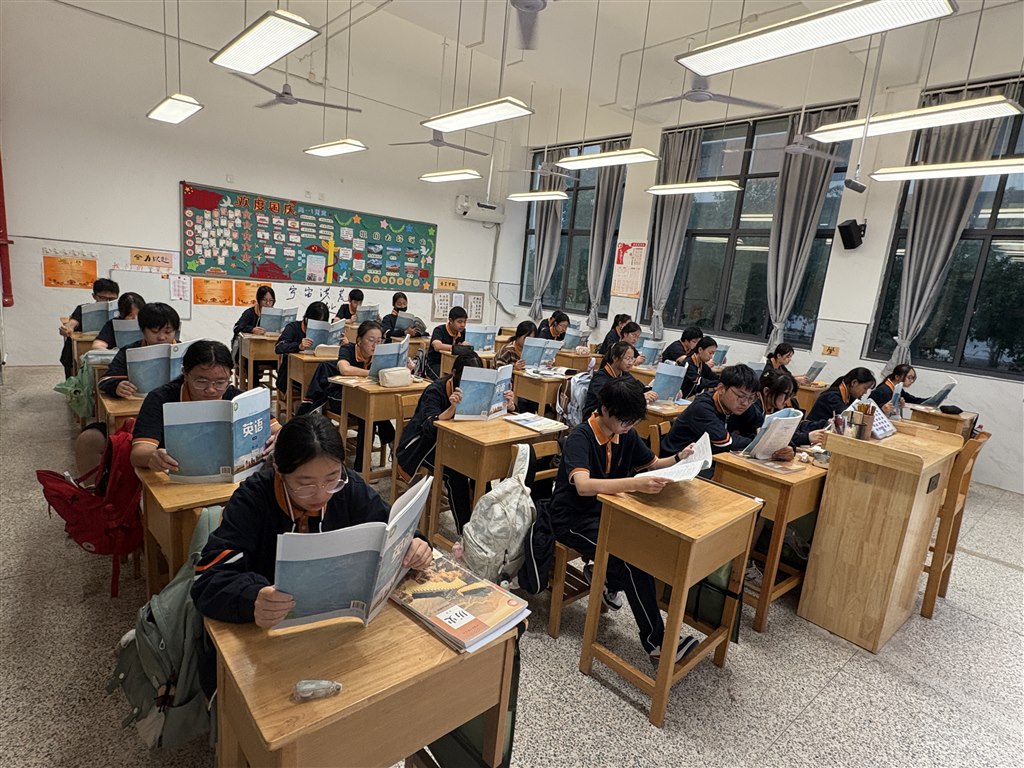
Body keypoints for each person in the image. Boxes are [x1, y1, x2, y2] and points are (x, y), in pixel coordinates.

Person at [190, 413, 433, 695]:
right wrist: (253, 598)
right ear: (279, 470)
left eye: (332, 478)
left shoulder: (348, 488)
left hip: (337, 637)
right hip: (268, 642)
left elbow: (391, 526)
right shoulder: (252, 500)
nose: (321, 494)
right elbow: (207, 580)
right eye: (305, 483)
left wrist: (415, 543)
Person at [550, 376, 698, 666]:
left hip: (606, 512)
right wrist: (634, 483)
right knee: (629, 557)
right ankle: (657, 643)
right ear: (604, 409)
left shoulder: (625, 433)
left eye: (633, 421)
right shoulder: (581, 436)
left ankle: (606, 576)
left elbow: (653, 464)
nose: (629, 426)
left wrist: (680, 458)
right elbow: (583, 486)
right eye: (624, 420)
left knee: (640, 546)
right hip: (571, 519)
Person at [396, 352, 515, 533]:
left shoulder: (480, 390)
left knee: (480, 469)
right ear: (454, 374)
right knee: (456, 473)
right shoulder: (435, 390)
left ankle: (484, 525)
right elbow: (429, 426)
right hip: (422, 445)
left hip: (456, 443)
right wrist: (452, 408)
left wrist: (508, 405)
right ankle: (465, 531)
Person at [130, 340, 279, 471]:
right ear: (185, 374)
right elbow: (138, 453)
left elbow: (278, 430)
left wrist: (279, 438)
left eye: (220, 382)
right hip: (175, 478)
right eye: (201, 382)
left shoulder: (238, 400)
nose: (211, 390)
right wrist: (154, 457)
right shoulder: (161, 399)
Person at [303, 320, 415, 471]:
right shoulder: (348, 349)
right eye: (371, 340)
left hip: (364, 399)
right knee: (369, 409)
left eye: (379, 341)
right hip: (339, 396)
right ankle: (390, 441)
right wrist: (372, 373)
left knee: (370, 410)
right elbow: (345, 369)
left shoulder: (379, 355)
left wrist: (406, 368)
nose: (375, 345)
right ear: (359, 340)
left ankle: (362, 465)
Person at [661, 364, 761, 462]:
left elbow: (760, 427)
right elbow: (725, 442)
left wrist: (758, 439)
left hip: (708, 459)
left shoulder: (740, 406)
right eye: (740, 396)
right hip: (679, 461)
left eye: (751, 398)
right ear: (721, 389)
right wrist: (757, 443)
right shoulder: (702, 407)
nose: (745, 403)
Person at [96, 302, 181, 397]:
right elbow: (105, 380)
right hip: (139, 402)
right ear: (143, 330)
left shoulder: (185, 350)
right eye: (155, 331)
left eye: (168, 332)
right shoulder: (129, 351)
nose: (161, 337)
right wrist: (116, 386)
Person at [728, 369, 825, 451]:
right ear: (766, 391)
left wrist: (822, 425)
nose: (787, 400)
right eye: (786, 395)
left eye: (790, 396)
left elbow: (787, 430)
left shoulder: (771, 407)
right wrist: (806, 437)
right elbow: (771, 436)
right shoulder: (753, 408)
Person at [59, 277, 119, 377]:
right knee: (69, 352)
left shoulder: (121, 311)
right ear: (94, 296)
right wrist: (67, 328)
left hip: (107, 346)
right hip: (86, 343)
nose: (107, 302)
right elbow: (72, 323)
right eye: (103, 298)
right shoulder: (83, 309)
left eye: (112, 299)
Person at [583, 341, 657, 419]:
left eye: (632, 359)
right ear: (615, 358)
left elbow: (639, 387)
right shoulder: (600, 377)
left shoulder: (624, 374)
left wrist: (651, 390)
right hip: (596, 417)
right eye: (627, 359)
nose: (630, 363)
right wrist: (640, 397)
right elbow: (612, 399)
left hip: (615, 416)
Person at [276, 301, 330, 395]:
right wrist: (299, 346)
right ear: (306, 319)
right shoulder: (293, 328)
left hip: (316, 372)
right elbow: (278, 347)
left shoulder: (325, 333)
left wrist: (343, 343)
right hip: (292, 376)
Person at [806, 367, 876, 424]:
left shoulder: (849, 396)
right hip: (813, 431)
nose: (865, 392)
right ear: (854, 382)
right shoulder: (832, 396)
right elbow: (849, 417)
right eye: (865, 388)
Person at [425, 305, 467, 379]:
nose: (463, 325)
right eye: (459, 322)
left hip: (452, 365)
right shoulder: (439, 330)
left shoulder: (462, 332)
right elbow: (437, 346)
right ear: (450, 321)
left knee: (461, 378)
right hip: (435, 364)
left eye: (465, 322)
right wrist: (457, 348)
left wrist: (464, 346)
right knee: (445, 381)